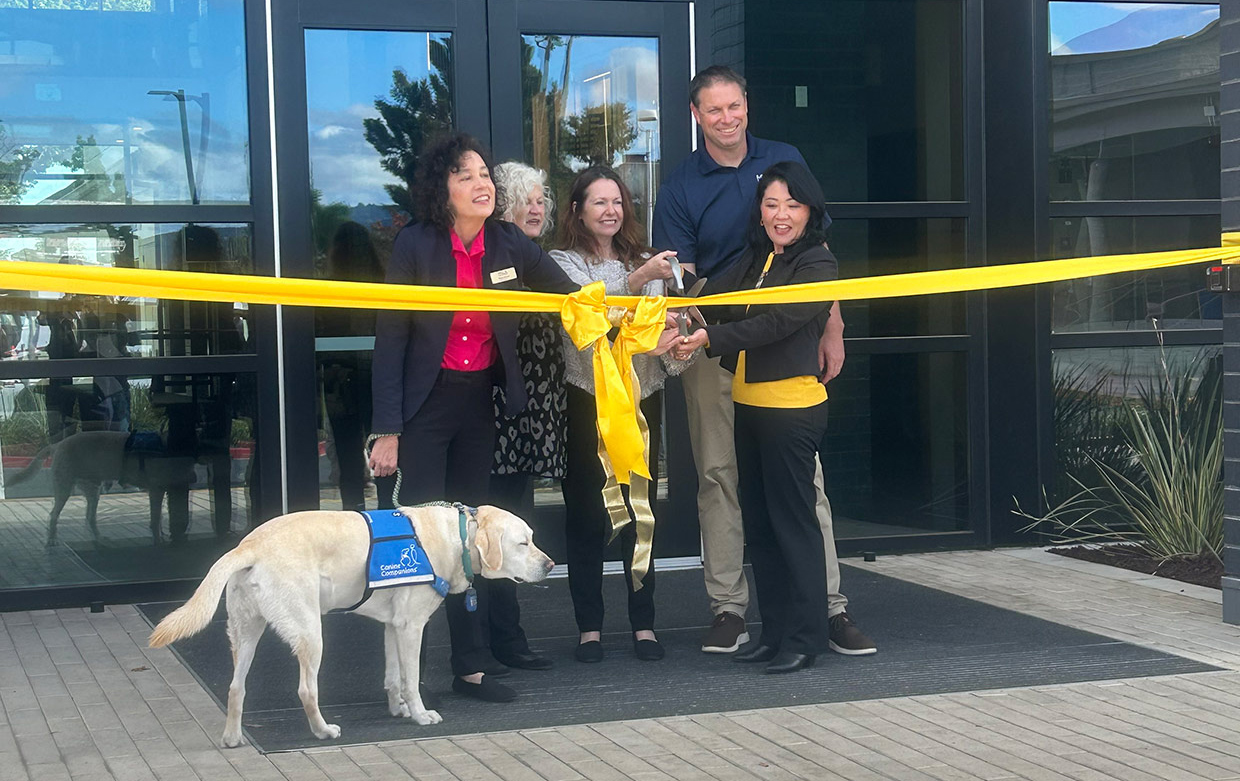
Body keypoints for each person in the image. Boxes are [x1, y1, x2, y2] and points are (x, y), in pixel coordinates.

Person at [652, 65, 875, 656]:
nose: (727, 119)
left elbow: (817, 254)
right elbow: (688, 278)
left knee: (804, 485)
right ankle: (729, 609)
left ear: (747, 105)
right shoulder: (679, 186)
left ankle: (828, 607)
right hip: (714, 343)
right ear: (696, 117)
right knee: (719, 477)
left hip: (784, 346)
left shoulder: (783, 160)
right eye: (713, 110)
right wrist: (687, 330)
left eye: (735, 106)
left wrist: (834, 323)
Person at [368, 133, 577, 703]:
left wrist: (634, 318)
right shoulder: (416, 244)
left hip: (476, 408)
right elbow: (390, 340)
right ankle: (403, 677)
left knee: (467, 540)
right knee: (416, 540)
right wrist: (387, 430)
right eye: (466, 176)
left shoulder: (508, 242)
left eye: (485, 174)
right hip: (423, 410)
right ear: (442, 190)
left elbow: (570, 297)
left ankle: (470, 667)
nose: (482, 184)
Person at [672, 161, 835, 673]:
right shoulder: (757, 257)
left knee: (795, 526)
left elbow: (776, 323)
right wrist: (667, 308)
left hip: (793, 411)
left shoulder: (817, 265)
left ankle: (808, 639)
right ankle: (777, 632)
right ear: (759, 213)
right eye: (771, 204)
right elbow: (714, 301)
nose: (781, 215)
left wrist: (709, 338)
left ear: (810, 211)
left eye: (792, 204)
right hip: (750, 406)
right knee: (762, 529)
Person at [550, 166, 688, 663]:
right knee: (586, 514)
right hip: (586, 400)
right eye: (599, 202)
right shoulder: (561, 261)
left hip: (641, 399)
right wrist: (637, 281)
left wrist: (679, 340)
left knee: (640, 511)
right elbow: (584, 318)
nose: (611, 211)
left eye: (618, 202)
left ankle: (643, 624)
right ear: (577, 210)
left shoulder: (648, 260)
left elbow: (661, 345)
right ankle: (589, 627)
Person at [478, 161, 563, 672]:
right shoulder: (494, 255)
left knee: (514, 524)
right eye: (524, 198)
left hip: (530, 413)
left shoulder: (536, 260)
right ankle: (497, 641)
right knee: (493, 530)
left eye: (541, 199)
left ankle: (506, 638)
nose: (536, 208)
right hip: (495, 413)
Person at [317, 221, 383, 512]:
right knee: (382, 455)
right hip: (378, 382)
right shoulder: (382, 286)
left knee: (347, 458)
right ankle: (386, 519)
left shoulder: (327, 290)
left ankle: (353, 516)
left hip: (338, 383)